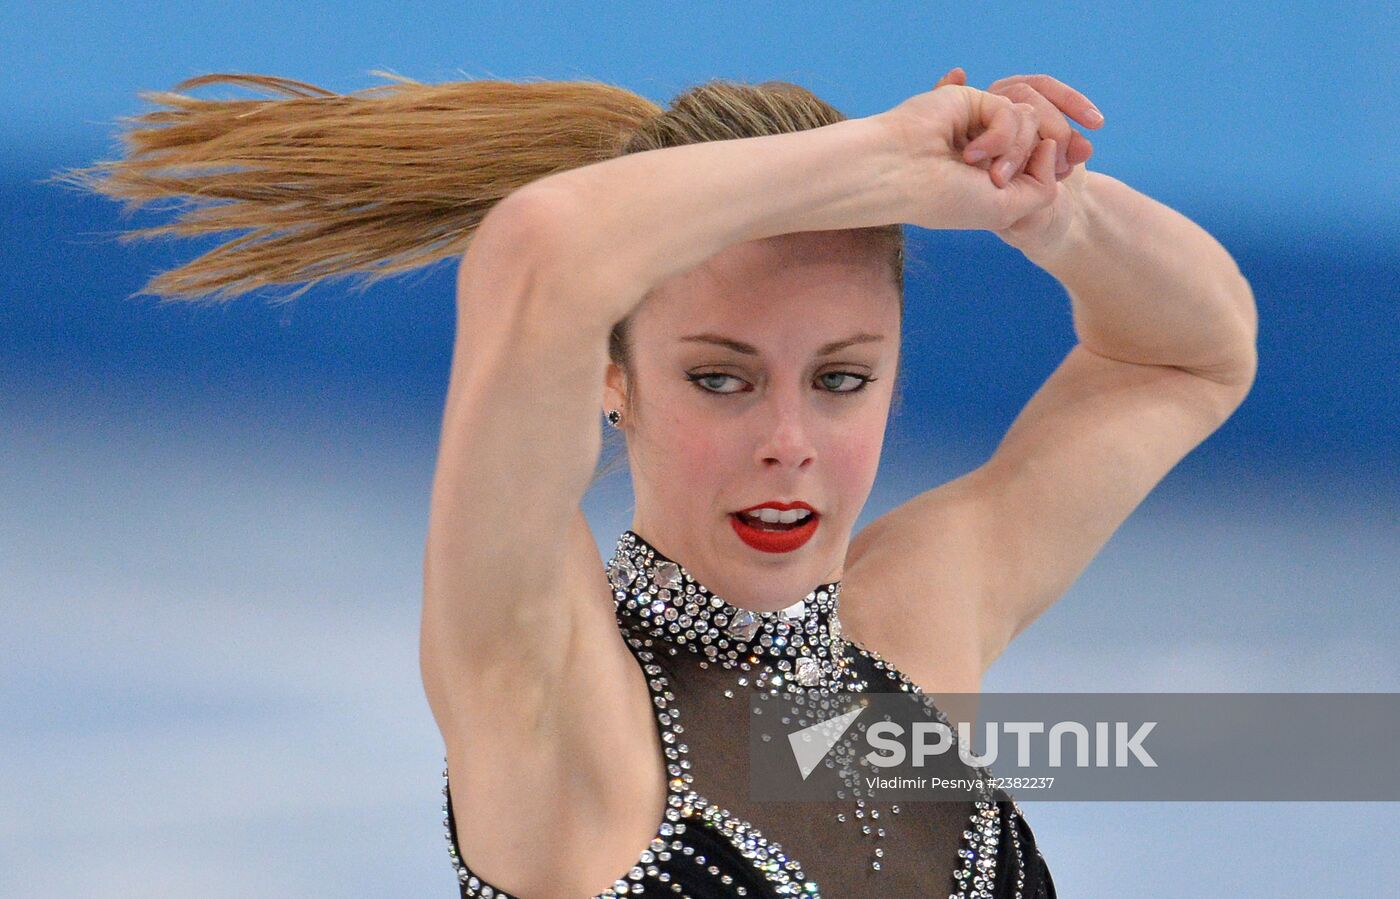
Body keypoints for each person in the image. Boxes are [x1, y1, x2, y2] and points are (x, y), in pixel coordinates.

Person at [56, 64, 1257, 898]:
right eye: (721, 381)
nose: (786, 439)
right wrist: (883, 154)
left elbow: (1188, 351)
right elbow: (543, 245)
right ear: (610, 376)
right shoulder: (553, 690)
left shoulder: (916, 624)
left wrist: (1043, 203)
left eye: (838, 380)